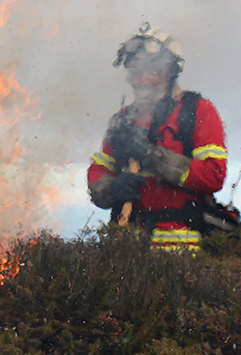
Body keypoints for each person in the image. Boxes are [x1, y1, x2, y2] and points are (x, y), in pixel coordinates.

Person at [87, 24, 227, 251]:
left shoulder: (198, 112)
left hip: (184, 255)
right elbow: (97, 175)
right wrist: (113, 189)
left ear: (171, 72)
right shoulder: (123, 120)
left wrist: (152, 156)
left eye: (153, 71)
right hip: (128, 251)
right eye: (136, 71)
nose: (142, 79)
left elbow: (213, 175)